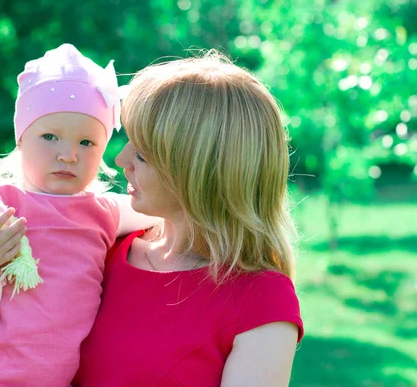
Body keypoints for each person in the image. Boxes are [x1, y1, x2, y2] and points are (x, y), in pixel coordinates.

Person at [0, 43, 158, 387]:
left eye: (86, 143)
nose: (68, 154)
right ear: (21, 138)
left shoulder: (104, 212)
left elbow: (165, 212)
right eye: (50, 136)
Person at [72, 51, 304, 386]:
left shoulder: (261, 299)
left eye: (141, 153)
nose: (121, 159)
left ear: (198, 171)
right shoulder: (102, 247)